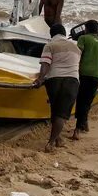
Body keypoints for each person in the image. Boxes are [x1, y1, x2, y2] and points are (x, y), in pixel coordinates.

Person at [32, 23, 80, 153]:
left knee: (55, 110)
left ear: (51, 34)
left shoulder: (50, 45)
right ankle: (51, 142)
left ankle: (56, 140)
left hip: (54, 80)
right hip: (72, 81)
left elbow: (45, 64)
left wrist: (41, 79)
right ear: (64, 34)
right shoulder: (75, 47)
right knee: (62, 113)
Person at [71, 19, 98, 138]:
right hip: (96, 75)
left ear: (85, 29)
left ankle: (77, 129)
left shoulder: (83, 39)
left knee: (81, 100)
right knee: (87, 101)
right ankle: (84, 123)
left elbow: (77, 55)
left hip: (83, 74)